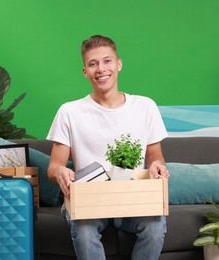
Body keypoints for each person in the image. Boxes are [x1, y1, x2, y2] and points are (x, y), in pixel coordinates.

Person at [47, 35, 170, 260]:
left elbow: (156, 158)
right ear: (85, 71)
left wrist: (158, 168)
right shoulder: (69, 112)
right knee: (83, 231)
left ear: (118, 64)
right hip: (89, 201)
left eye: (107, 61)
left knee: (155, 225)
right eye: (93, 64)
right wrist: (60, 172)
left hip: (132, 199)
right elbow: (54, 167)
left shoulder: (145, 106)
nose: (101, 69)